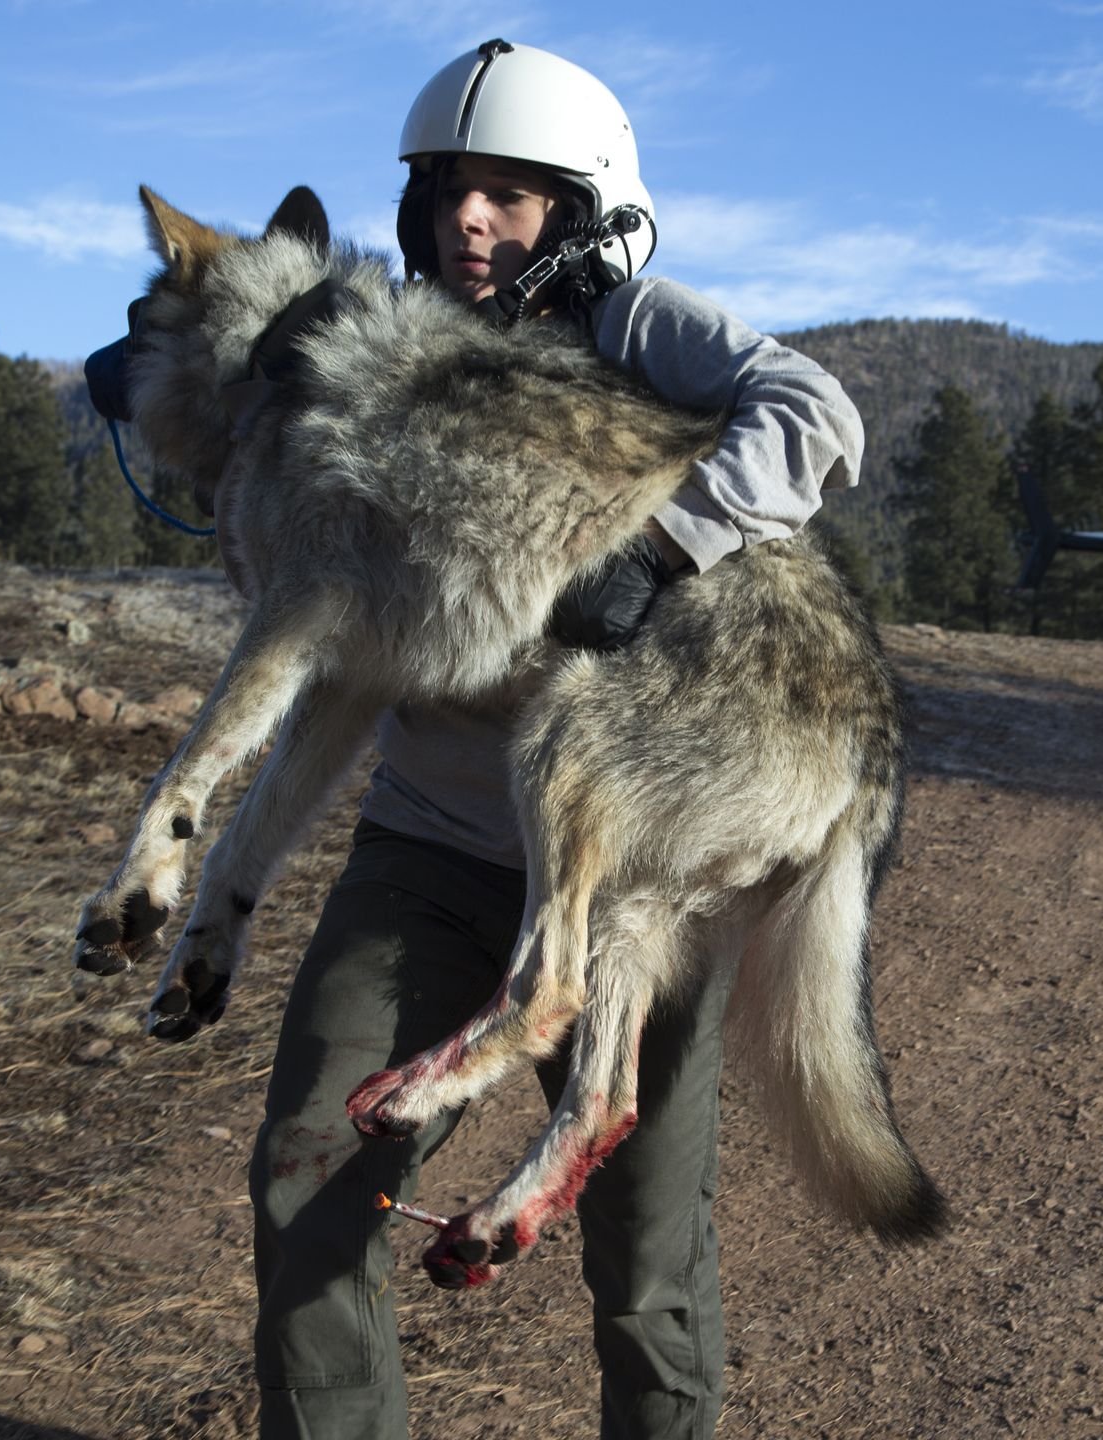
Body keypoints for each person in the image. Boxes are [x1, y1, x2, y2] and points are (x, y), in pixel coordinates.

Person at [247, 39, 866, 1440]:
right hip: (430, 845)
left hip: (638, 874)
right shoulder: (401, 347)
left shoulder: (637, 324)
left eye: (511, 196)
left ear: (581, 215)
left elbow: (816, 413)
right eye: (446, 193)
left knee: (646, 1259)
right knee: (309, 1175)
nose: (468, 220)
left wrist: (662, 543)